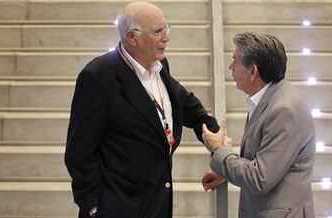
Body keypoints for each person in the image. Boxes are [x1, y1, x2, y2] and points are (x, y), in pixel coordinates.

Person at [64, 1, 219, 218]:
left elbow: (189, 107)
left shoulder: (159, 66)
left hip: (158, 203)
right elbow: (79, 154)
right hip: (117, 208)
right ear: (132, 37)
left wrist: (220, 153)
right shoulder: (98, 77)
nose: (167, 37)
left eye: (167, 29)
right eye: (158, 31)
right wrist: (93, 208)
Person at [201, 32, 316, 218]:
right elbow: (264, 162)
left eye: (235, 61)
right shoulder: (268, 98)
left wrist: (218, 150)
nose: (230, 67)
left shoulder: (284, 110)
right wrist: (225, 171)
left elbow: (259, 178)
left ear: (253, 71)